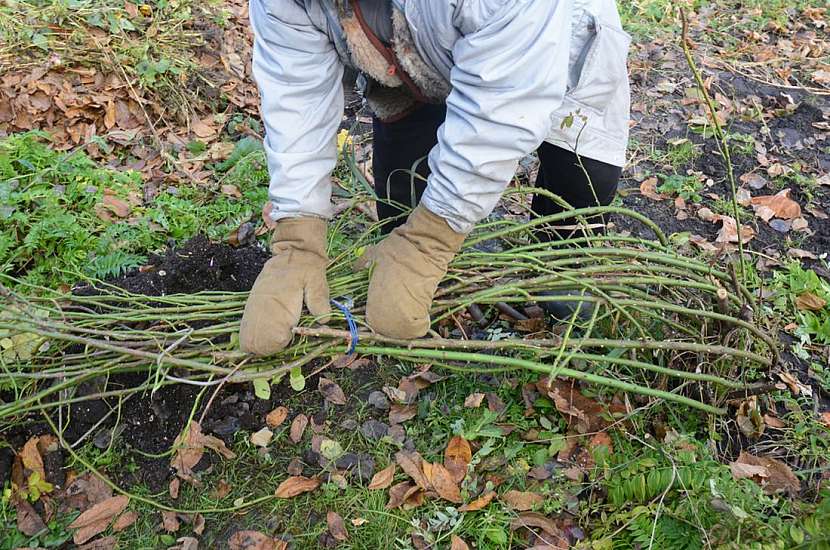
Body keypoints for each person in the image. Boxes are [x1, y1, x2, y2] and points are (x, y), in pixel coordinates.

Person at [239, 0, 631, 355]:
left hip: (562, 48)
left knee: (572, 212)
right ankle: (443, 286)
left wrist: (431, 239)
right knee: (400, 201)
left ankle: (567, 303)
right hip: (409, 59)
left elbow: (503, 109)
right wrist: (298, 236)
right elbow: (295, 95)